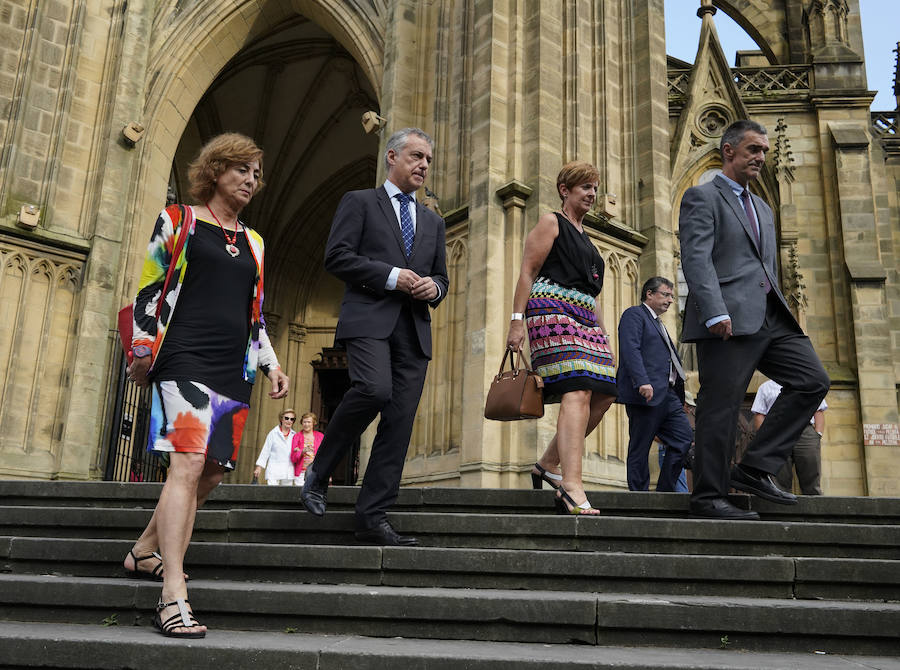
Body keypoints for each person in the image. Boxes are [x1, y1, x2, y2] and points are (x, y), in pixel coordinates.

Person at [123, 133, 289, 637]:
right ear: (216, 170)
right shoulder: (180, 220)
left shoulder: (254, 241)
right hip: (183, 355)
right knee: (188, 463)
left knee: (212, 472)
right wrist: (141, 347)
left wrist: (272, 364)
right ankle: (173, 592)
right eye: (242, 169)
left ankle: (143, 550)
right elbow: (152, 285)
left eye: (256, 174)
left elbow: (255, 312)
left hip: (231, 366)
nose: (250, 180)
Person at [300, 128, 449, 546]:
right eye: (416, 156)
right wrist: (391, 277)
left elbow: (442, 277)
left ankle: (373, 516)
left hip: (414, 330)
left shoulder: (434, 222)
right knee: (373, 389)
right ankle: (320, 469)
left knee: (399, 423)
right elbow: (337, 256)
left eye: (428, 160)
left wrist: (433, 288)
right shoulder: (360, 202)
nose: (423, 165)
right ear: (392, 157)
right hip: (368, 319)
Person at [679, 119, 830, 520]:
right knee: (721, 406)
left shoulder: (762, 205)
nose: (761, 157)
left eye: (764, 150)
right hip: (725, 318)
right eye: (753, 150)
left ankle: (754, 467)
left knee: (813, 379)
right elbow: (696, 259)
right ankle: (708, 496)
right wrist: (714, 310)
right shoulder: (702, 197)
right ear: (728, 151)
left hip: (770, 315)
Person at [506, 161, 617, 515]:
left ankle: (547, 466)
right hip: (551, 313)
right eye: (585, 186)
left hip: (585, 318)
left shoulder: (587, 238)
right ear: (565, 190)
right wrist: (516, 322)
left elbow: (591, 294)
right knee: (578, 388)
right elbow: (528, 271)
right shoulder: (551, 222)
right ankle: (572, 484)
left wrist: (604, 334)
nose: (592, 193)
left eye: (595, 187)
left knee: (604, 395)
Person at [617, 276, 693, 492]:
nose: (670, 300)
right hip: (646, 393)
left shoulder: (659, 323)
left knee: (683, 439)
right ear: (649, 294)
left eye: (672, 295)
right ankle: (640, 496)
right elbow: (630, 349)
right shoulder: (634, 314)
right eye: (665, 294)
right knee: (640, 447)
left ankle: (665, 492)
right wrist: (642, 381)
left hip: (668, 395)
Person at [752, 379, 826, 495]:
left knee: (811, 474)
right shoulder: (765, 387)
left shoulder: (808, 384)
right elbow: (759, 414)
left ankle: (815, 509)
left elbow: (818, 410)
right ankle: (781, 509)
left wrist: (817, 434)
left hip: (804, 431)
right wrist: (765, 439)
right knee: (779, 478)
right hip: (777, 433)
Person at [254, 409, 297, 485]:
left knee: (286, 495)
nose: (289, 421)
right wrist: (259, 467)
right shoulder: (273, 433)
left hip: (288, 471)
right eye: (286, 418)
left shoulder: (295, 435)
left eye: (292, 419)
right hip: (274, 470)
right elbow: (265, 451)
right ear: (281, 419)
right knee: (272, 495)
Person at [291, 411, 324, 485]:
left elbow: (324, 455)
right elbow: (293, 458)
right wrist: (302, 451)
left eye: (309, 422)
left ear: (313, 423)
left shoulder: (320, 436)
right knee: (301, 494)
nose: (306, 424)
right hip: (301, 473)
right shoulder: (297, 437)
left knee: (313, 494)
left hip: (315, 472)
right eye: (304, 422)